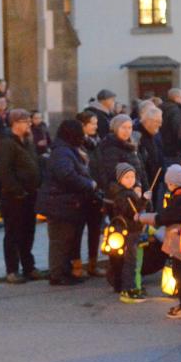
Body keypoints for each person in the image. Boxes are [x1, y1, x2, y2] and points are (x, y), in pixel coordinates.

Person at [37, 120, 99, 286]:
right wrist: (88, 184)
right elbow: (66, 175)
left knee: (66, 240)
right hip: (60, 203)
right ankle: (57, 274)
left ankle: (65, 271)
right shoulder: (62, 152)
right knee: (60, 240)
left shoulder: (66, 149)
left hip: (66, 202)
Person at [137, 165, 181, 318]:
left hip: (179, 239)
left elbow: (164, 218)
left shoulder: (179, 200)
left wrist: (143, 218)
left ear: (172, 183)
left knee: (180, 273)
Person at [0, 109, 43, 284]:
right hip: (15, 197)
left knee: (28, 232)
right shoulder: (7, 142)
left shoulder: (27, 141)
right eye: (26, 121)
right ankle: (12, 269)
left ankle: (28, 266)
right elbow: (5, 171)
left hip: (30, 194)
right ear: (15, 123)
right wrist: (17, 190)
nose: (29, 124)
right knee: (13, 233)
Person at [108, 163, 147, 302]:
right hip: (129, 231)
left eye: (132, 176)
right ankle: (128, 289)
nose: (131, 180)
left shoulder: (127, 192)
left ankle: (129, 287)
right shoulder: (124, 194)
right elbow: (132, 212)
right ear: (120, 179)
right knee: (130, 262)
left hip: (130, 230)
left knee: (131, 261)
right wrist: (143, 199)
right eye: (127, 177)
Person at [77, 110, 104, 277]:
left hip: (96, 191)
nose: (95, 126)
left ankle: (93, 263)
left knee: (95, 230)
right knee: (78, 231)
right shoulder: (77, 144)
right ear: (83, 125)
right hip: (83, 192)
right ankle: (77, 265)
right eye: (92, 123)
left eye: (96, 123)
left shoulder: (96, 142)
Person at [96, 115, 148, 192]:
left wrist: (143, 188)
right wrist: (135, 186)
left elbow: (140, 170)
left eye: (130, 128)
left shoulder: (131, 145)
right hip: (122, 193)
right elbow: (113, 174)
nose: (127, 131)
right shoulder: (110, 147)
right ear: (116, 128)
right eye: (123, 127)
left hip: (136, 191)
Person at [160, 88, 181, 161]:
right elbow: (176, 128)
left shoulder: (161, 106)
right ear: (176, 98)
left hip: (161, 143)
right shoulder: (174, 110)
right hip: (171, 145)